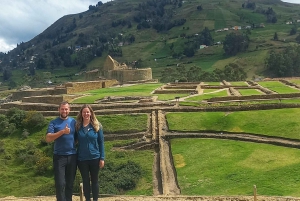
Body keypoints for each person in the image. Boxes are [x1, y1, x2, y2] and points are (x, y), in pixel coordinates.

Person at [46, 101, 77, 201]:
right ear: (59, 110)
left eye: (66, 109)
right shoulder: (53, 122)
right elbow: (48, 138)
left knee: (70, 183)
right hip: (59, 157)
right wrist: (62, 132)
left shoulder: (74, 122)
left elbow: (76, 137)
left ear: (69, 110)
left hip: (72, 156)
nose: (64, 111)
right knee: (60, 184)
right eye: (62, 109)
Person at [75, 104, 105, 201]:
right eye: (84, 112)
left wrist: (102, 158)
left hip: (94, 158)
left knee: (95, 181)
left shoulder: (97, 126)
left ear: (91, 113)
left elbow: (101, 142)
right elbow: (73, 140)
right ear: (81, 114)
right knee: (85, 181)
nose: (86, 114)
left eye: (88, 112)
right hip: (82, 159)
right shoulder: (78, 126)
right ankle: (88, 199)